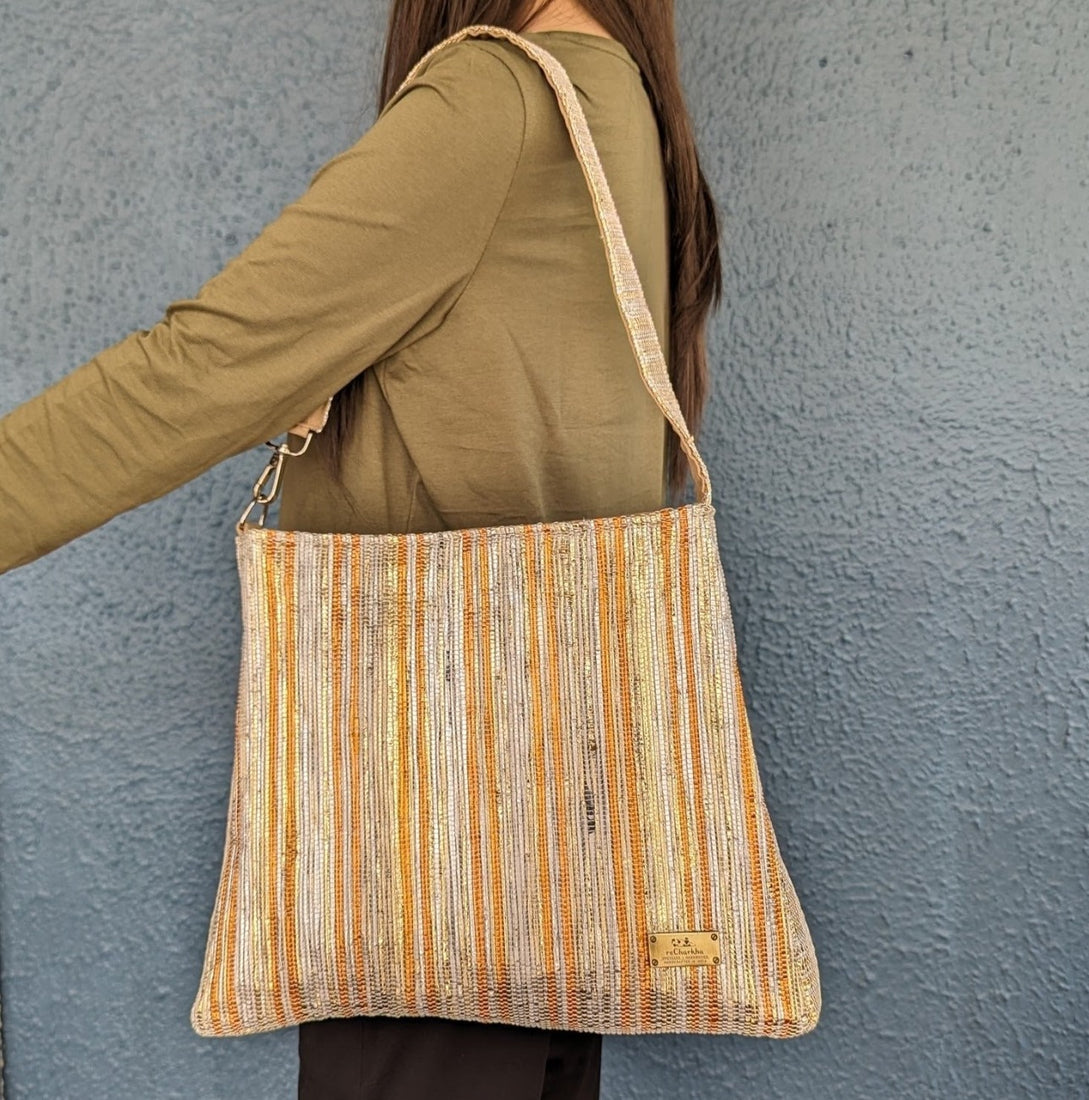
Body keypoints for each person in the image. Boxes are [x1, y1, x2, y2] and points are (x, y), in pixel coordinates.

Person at [0, 0, 722, 1096]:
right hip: (559, 834)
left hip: (433, 835)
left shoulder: (495, 103)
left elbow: (201, 367)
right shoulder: (616, 93)